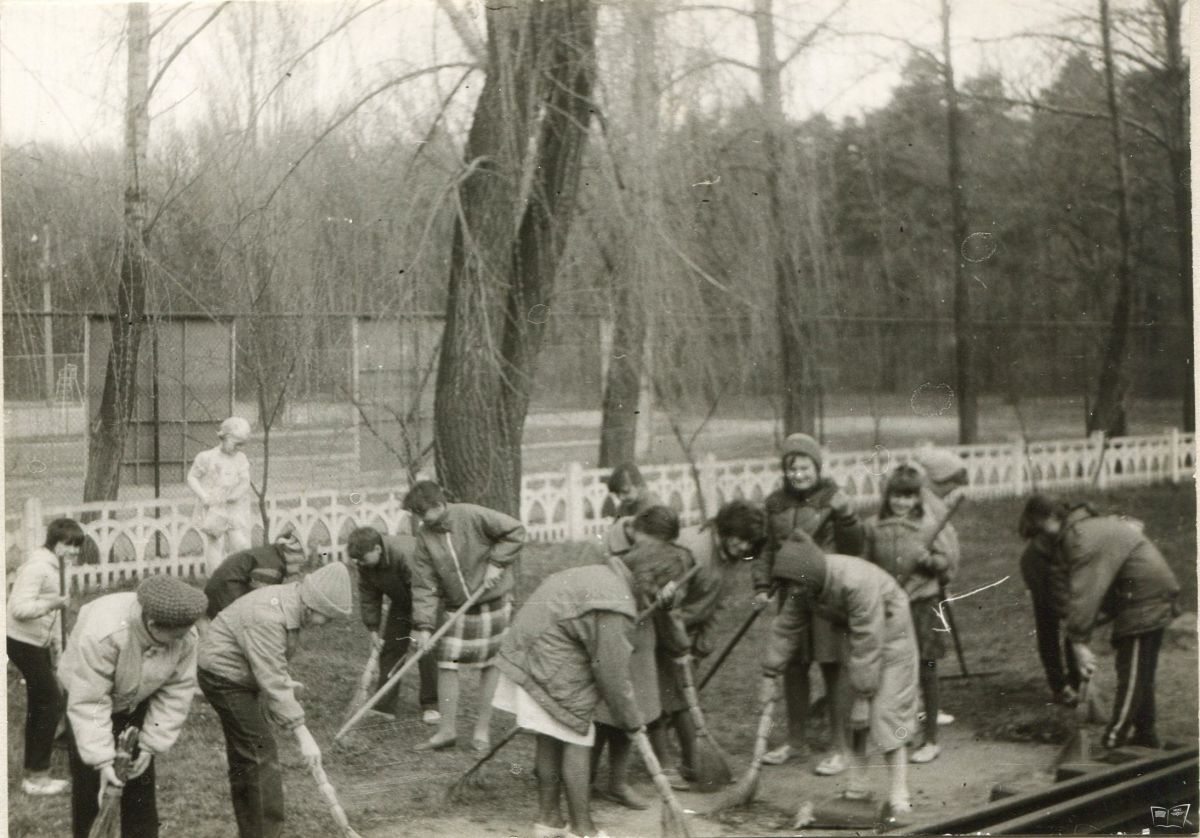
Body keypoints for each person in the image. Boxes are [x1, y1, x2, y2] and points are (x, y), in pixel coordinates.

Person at [493, 538, 674, 838]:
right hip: (547, 656)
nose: (658, 595)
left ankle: (548, 819)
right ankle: (583, 828)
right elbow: (612, 674)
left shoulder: (608, 576)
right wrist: (632, 721)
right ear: (647, 577)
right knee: (578, 737)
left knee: (550, 735)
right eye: (659, 587)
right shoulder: (616, 602)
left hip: (528, 648)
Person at [766, 532, 918, 817]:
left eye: (797, 585)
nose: (795, 591)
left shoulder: (855, 581)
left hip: (892, 632)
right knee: (853, 719)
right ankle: (858, 785)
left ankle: (900, 791)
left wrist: (863, 696)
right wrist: (769, 672)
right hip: (859, 639)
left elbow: (870, 639)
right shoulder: (804, 586)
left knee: (887, 714)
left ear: (810, 574)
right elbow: (785, 628)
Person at [198, 562, 354, 838]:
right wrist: (303, 734)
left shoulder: (291, 603)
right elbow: (270, 675)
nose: (324, 625)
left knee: (247, 755)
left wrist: (279, 687)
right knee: (260, 755)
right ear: (312, 605)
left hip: (242, 674)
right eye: (326, 618)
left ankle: (253, 832)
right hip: (222, 677)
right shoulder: (268, 615)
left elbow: (272, 668)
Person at [1019, 496, 1180, 749]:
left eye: (1041, 530)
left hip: (1143, 598)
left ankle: (1114, 739)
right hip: (1142, 596)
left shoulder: (1081, 538)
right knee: (1141, 672)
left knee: (1133, 674)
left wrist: (1079, 643)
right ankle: (1145, 735)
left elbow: (1086, 592)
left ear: (1051, 518)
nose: (1043, 538)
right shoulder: (1084, 527)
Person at [58, 574, 208, 838]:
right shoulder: (105, 633)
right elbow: (91, 701)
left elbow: (176, 692)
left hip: (136, 696)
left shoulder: (185, 634)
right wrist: (102, 760)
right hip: (86, 695)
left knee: (139, 780)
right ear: (152, 624)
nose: (180, 642)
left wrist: (151, 744)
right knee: (92, 785)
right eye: (172, 638)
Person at [753, 433, 862, 774]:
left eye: (804, 467)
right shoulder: (774, 503)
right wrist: (762, 584)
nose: (798, 474)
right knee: (794, 666)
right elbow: (767, 548)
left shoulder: (835, 498)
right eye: (791, 468)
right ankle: (796, 742)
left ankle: (840, 748)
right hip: (790, 594)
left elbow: (853, 547)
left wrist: (846, 518)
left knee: (833, 667)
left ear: (816, 466)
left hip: (826, 593)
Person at [652, 500, 766, 788]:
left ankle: (694, 761)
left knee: (680, 696)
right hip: (658, 624)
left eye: (748, 545)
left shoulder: (732, 556)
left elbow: (719, 603)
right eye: (739, 539)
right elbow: (670, 606)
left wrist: (702, 646)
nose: (742, 548)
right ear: (726, 528)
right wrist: (679, 647)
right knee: (663, 696)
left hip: (688, 629)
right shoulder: (693, 549)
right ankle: (666, 765)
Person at [405, 480, 525, 753]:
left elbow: (515, 531)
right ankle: (446, 731)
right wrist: (423, 626)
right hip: (457, 604)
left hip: (492, 600)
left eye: (424, 513)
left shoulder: (471, 514)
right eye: (417, 516)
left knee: (490, 664)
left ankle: (482, 730)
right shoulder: (425, 535)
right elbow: (424, 583)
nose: (421, 520)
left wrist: (497, 563)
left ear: (439, 505)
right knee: (447, 662)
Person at [592, 506, 686, 805]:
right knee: (603, 712)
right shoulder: (606, 543)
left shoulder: (663, 553)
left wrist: (666, 597)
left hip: (642, 638)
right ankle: (585, 778)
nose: (658, 551)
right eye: (655, 543)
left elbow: (665, 592)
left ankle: (617, 783)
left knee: (633, 712)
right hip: (612, 633)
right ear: (638, 531)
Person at [865, 465, 959, 764]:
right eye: (896, 496)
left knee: (927, 668)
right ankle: (899, 733)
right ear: (888, 496)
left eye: (908, 497)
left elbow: (946, 563)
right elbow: (865, 564)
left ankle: (930, 739)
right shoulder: (873, 527)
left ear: (917, 499)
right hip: (890, 608)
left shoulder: (929, 525)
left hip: (923, 605)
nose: (902, 503)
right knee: (892, 671)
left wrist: (929, 560)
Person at [7, 517, 84, 796]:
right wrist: (52, 603)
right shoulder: (39, 567)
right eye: (68, 545)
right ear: (54, 542)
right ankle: (36, 777)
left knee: (45, 699)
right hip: (20, 640)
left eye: (77, 546)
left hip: (38, 641)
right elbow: (19, 609)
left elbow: (51, 617)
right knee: (48, 701)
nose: (74, 551)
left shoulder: (60, 565)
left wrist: (55, 646)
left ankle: (47, 754)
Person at [346, 525, 439, 723]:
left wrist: (420, 626)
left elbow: (421, 590)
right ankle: (385, 706)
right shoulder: (365, 565)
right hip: (402, 602)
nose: (359, 563)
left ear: (377, 549)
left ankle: (431, 705)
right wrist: (372, 629)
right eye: (357, 560)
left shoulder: (405, 554)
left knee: (426, 649)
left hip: (429, 600)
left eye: (362, 558)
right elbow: (369, 596)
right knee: (390, 648)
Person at [1017, 496, 1081, 706]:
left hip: (1064, 576)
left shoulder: (1065, 525)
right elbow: (1050, 597)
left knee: (1075, 626)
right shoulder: (1033, 554)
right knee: (1048, 628)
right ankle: (1060, 686)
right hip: (1042, 577)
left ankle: (1076, 680)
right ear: (1039, 520)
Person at [189, 416, 254, 574]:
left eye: (242, 445)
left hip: (234, 507)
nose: (239, 448)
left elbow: (245, 481)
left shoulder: (240, 458)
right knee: (215, 543)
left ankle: (241, 576)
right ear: (225, 437)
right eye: (236, 444)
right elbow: (192, 477)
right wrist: (204, 496)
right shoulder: (207, 457)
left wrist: (236, 494)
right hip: (214, 506)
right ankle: (215, 580)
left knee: (241, 544)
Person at [204, 527, 307, 618]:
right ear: (291, 556)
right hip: (225, 593)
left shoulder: (271, 554)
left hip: (222, 590)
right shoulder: (272, 564)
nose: (298, 573)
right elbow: (260, 596)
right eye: (300, 566)